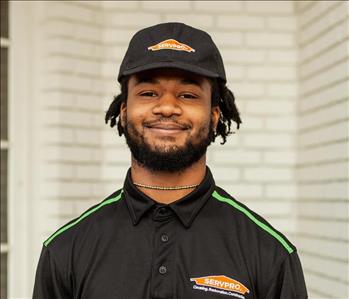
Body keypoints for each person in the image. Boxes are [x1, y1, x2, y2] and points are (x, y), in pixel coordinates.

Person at [33, 22, 307, 299]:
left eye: (187, 95)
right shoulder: (65, 250)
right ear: (125, 111)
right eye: (148, 93)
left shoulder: (269, 253)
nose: (166, 107)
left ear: (214, 117)